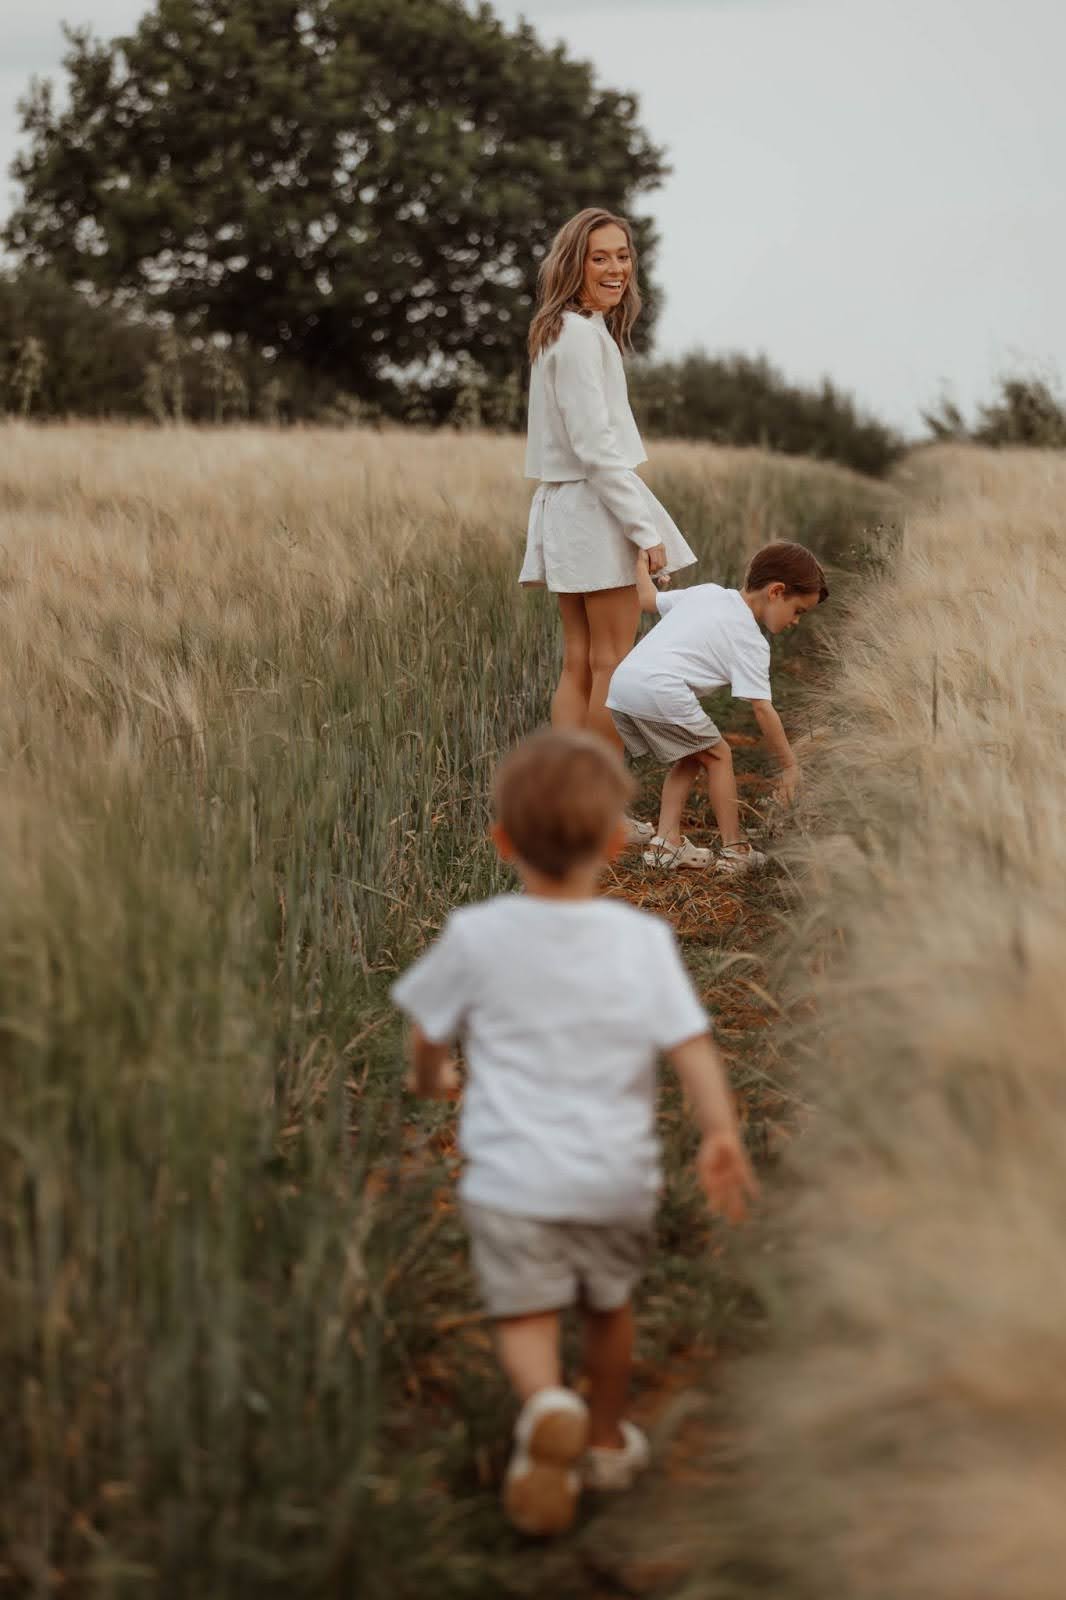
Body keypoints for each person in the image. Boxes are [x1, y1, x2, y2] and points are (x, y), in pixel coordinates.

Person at [391, 729, 756, 1538]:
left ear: (502, 842)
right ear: (618, 843)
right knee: (607, 1308)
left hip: (510, 1182)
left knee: (524, 1311)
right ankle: (599, 1439)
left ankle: (543, 1403)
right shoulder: (642, 942)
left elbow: (425, 1028)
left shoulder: (477, 934)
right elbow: (690, 1046)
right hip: (614, 1178)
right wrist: (719, 1132)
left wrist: (432, 1079)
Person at [520, 206, 696, 847]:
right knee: (611, 665)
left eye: (623, 255)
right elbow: (598, 449)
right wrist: (644, 530)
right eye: (601, 257)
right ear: (575, 264)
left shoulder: (563, 331)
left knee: (581, 664)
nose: (616, 268)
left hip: (568, 507)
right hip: (594, 510)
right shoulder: (579, 336)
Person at [607, 541, 829, 873]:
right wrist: (789, 766)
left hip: (623, 684)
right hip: (660, 689)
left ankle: (665, 843)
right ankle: (735, 849)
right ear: (776, 591)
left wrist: (640, 564)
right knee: (719, 755)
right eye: (798, 611)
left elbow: (647, 600)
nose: (796, 621)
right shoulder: (751, 641)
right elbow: (762, 710)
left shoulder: (708, 593)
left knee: (691, 755)